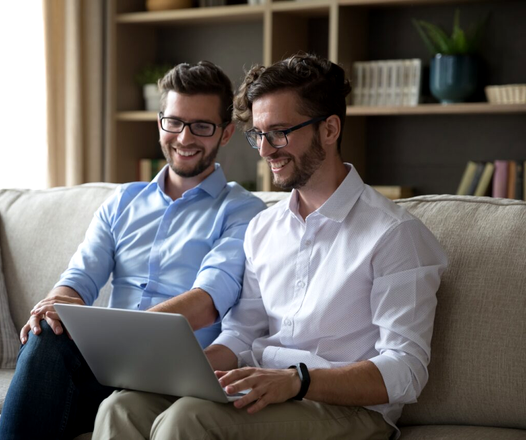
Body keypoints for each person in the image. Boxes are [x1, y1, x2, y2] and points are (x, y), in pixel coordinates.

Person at [91, 53, 448, 440]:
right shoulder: (264, 226)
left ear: (329, 130)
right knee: (121, 406)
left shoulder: (394, 234)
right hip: (266, 389)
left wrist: (297, 381)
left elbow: (407, 370)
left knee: (189, 419)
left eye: (279, 133)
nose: (264, 150)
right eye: (258, 135)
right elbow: (243, 334)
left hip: (349, 410)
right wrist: (185, 371)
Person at [0, 60, 266, 440]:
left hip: (172, 375)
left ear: (225, 133)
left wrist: (122, 339)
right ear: (160, 124)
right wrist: (56, 303)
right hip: (105, 368)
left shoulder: (243, 211)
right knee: (47, 331)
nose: (185, 138)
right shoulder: (123, 201)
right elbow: (79, 279)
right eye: (174, 122)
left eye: (201, 126)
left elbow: (207, 301)